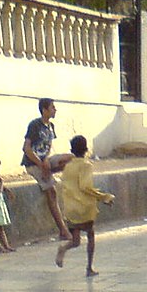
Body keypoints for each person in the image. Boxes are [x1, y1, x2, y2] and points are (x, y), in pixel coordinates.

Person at [55, 135, 115, 276]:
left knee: (76, 241)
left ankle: (63, 248)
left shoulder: (68, 166)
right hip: (84, 208)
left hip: (71, 208)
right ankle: (89, 267)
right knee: (90, 235)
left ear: (72, 150)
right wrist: (104, 197)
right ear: (86, 150)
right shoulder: (86, 165)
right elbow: (85, 187)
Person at [21, 98, 73, 241]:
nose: (55, 110)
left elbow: (48, 147)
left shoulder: (50, 126)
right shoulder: (35, 125)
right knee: (52, 192)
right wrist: (40, 164)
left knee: (73, 159)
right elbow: (27, 149)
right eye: (52, 107)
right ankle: (63, 229)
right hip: (33, 163)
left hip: (44, 161)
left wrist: (46, 162)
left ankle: (50, 173)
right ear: (44, 110)